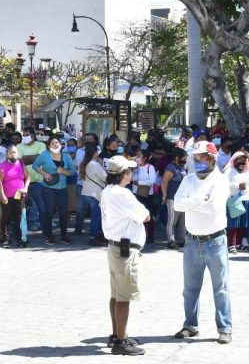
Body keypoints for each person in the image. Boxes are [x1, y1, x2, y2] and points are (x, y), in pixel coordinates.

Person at [172, 141, 233, 344]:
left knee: (221, 288)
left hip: (215, 241)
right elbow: (178, 204)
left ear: (211, 158)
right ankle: (190, 325)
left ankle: (225, 328)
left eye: (201, 158)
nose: (197, 161)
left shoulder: (220, 181)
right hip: (191, 242)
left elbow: (214, 208)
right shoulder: (189, 179)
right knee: (189, 288)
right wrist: (200, 201)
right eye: (195, 158)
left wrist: (192, 202)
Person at [100, 155, 148, 356]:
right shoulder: (122, 194)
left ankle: (117, 334)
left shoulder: (108, 191)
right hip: (125, 250)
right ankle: (121, 340)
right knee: (124, 297)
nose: (131, 173)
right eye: (129, 170)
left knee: (116, 294)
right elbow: (145, 215)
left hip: (115, 247)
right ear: (123, 174)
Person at [33, 136, 76, 245]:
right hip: (48, 188)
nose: (55, 144)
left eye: (57, 142)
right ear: (48, 146)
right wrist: (44, 173)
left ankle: (63, 235)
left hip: (62, 188)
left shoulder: (66, 156)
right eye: (52, 143)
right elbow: (35, 166)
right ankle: (48, 236)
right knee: (49, 211)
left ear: (60, 144)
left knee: (63, 212)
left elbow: (73, 171)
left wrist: (65, 172)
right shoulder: (45, 155)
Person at [0, 145, 30, 247]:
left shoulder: (21, 164)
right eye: (11, 152)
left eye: (14, 152)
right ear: (7, 154)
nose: (13, 154)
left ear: (18, 153)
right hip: (7, 195)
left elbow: (28, 177)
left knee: (19, 217)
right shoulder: (2, 166)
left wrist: (26, 188)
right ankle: (5, 239)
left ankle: (20, 239)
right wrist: (2, 195)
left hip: (20, 195)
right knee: (6, 217)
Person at [225, 151, 249, 252]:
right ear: (234, 160)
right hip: (234, 199)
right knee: (234, 223)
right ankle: (232, 245)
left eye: (244, 160)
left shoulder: (247, 171)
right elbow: (223, 184)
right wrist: (237, 186)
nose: (242, 162)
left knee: (243, 223)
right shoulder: (229, 171)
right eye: (239, 160)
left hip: (246, 199)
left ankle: (238, 244)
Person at [78, 142, 107, 246]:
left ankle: (98, 235)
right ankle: (93, 236)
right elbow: (105, 177)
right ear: (95, 153)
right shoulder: (94, 164)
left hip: (86, 191)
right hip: (95, 193)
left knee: (95, 215)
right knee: (96, 216)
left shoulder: (84, 163)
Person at [161, 148, 187, 249]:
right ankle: (171, 240)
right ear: (177, 158)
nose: (185, 160)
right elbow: (164, 182)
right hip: (172, 198)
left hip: (183, 199)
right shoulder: (171, 167)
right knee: (172, 220)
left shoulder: (181, 167)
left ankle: (182, 240)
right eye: (184, 158)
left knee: (182, 221)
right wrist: (164, 196)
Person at [132, 149, 157, 244]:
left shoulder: (150, 167)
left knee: (148, 214)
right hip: (136, 193)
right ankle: (138, 235)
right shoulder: (135, 167)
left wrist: (139, 183)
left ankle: (150, 236)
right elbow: (132, 179)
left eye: (139, 156)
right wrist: (133, 170)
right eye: (136, 156)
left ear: (145, 158)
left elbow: (152, 180)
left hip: (147, 195)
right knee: (137, 214)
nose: (137, 158)